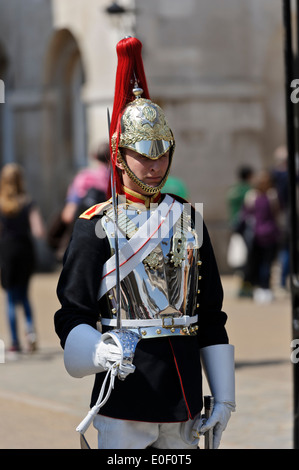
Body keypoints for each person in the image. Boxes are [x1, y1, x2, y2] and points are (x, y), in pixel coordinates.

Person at [54, 37, 235, 450]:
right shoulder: (95, 225)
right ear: (120, 156)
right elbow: (71, 313)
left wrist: (224, 396)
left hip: (186, 393)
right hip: (127, 394)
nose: (154, 166)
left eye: (162, 153)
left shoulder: (188, 216)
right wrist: (98, 351)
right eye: (142, 155)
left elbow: (209, 315)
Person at [0, 163, 45, 353]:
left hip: (8, 252)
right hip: (25, 251)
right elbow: (39, 231)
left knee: (10, 298)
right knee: (25, 296)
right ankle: (31, 335)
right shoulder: (28, 202)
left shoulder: (1, 203)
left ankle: (15, 342)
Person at [240, 169, 280, 303]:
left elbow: (245, 213)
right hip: (270, 234)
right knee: (267, 263)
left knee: (256, 262)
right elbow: (276, 212)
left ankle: (258, 289)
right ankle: (266, 288)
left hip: (256, 234)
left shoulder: (251, 196)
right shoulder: (272, 195)